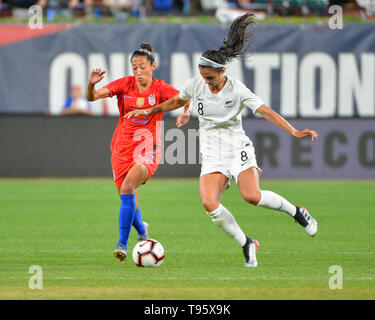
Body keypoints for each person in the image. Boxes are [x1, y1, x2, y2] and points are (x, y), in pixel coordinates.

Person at [125, 13, 319, 268]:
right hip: (211, 151)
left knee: (252, 196)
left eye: (211, 78)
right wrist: (149, 111)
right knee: (209, 204)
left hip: (236, 146)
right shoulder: (197, 85)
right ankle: (247, 243)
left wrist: (293, 131)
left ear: (222, 71)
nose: (207, 82)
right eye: (203, 77)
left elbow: (265, 110)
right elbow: (177, 101)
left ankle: (297, 212)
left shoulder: (236, 89)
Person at [86, 43, 186, 263]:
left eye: (142, 67)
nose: (138, 72)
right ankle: (142, 232)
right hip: (120, 149)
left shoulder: (160, 88)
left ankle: (122, 243)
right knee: (127, 198)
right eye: (134, 68)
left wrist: (185, 113)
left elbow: (184, 98)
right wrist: (91, 85)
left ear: (153, 66)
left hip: (146, 150)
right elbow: (92, 98)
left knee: (128, 187)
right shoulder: (125, 84)